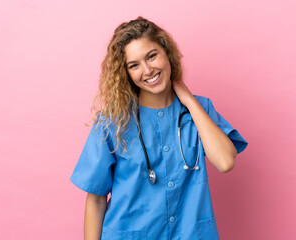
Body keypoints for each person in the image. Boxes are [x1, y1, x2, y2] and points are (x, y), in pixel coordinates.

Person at [70, 16, 248, 240]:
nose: (147, 70)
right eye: (134, 65)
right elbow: (95, 200)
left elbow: (225, 162)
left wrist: (189, 100)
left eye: (151, 56)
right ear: (126, 73)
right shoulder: (112, 123)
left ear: (167, 53)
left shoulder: (201, 110)